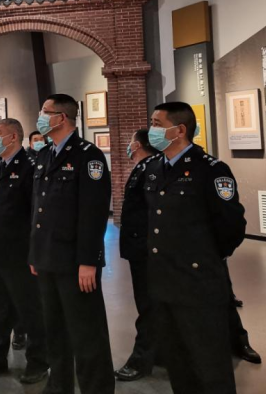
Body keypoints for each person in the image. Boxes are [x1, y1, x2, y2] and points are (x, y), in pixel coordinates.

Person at [144, 102, 246, 394]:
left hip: (198, 283)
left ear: (179, 130)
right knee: (178, 364)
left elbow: (232, 226)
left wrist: (205, 255)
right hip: (164, 283)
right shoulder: (154, 168)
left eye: (157, 124)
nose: (152, 129)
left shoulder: (210, 170)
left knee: (210, 364)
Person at [30, 93, 115, 394]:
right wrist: (35, 254)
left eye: (45, 111)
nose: (40, 116)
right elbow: (38, 209)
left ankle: (97, 388)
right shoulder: (44, 154)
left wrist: (88, 261)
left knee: (87, 333)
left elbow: (93, 213)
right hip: (47, 258)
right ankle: (59, 385)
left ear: (61, 118)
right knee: (55, 329)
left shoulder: (88, 156)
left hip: (75, 262)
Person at [0, 118, 49, 385]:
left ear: (13, 137)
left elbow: (37, 212)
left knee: (30, 309)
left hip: (20, 252)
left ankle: (38, 362)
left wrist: (34, 250)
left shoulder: (30, 167)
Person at [114, 129, 160, 382]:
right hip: (138, 249)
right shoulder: (142, 168)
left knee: (149, 305)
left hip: (147, 250)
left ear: (139, 145)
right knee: (148, 303)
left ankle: (142, 359)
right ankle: (160, 351)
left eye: (131, 142)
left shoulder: (152, 168)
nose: (129, 146)